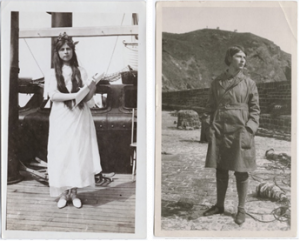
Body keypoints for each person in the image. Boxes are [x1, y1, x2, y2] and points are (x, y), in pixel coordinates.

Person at [43, 32, 102, 209]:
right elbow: (52, 95)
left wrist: (92, 87)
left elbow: (86, 96)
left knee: (77, 152)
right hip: (61, 117)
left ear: (73, 51)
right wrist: (72, 95)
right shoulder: (52, 72)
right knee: (61, 153)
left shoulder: (81, 71)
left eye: (69, 49)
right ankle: (63, 193)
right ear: (58, 53)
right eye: (62, 49)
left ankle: (74, 192)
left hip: (79, 116)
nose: (66, 52)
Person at [203, 46, 260, 225]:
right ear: (229, 58)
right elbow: (209, 107)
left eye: (244, 57)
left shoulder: (249, 83)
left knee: (241, 171)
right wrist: (209, 126)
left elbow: (255, 110)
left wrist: (249, 128)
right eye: (239, 56)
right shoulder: (217, 82)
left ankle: (241, 210)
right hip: (220, 129)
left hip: (240, 130)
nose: (243, 60)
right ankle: (219, 205)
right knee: (221, 169)